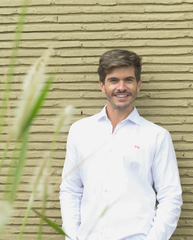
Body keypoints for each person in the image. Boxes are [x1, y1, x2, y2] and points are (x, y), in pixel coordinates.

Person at [59, 49, 182, 240]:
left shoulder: (157, 136)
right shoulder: (80, 131)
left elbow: (171, 197)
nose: (121, 87)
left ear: (138, 84)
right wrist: (72, 235)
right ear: (102, 85)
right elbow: (71, 190)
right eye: (114, 80)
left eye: (129, 80)